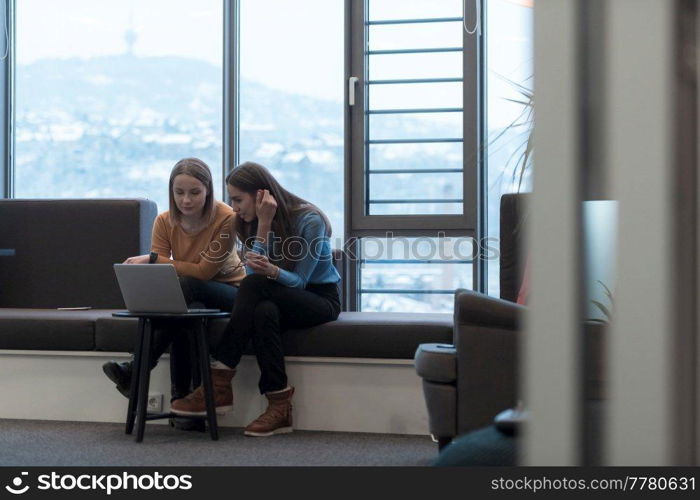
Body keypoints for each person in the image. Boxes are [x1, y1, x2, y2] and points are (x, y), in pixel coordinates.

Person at [171, 161, 341, 437]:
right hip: (266, 294)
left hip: (317, 299)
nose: (234, 207)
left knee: (258, 293)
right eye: (231, 200)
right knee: (258, 310)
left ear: (261, 195)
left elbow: (300, 282)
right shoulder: (248, 223)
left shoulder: (309, 220)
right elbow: (251, 276)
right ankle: (279, 406)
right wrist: (263, 226)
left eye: (238, 199)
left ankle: (220, 377)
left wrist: (273, 270)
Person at [102, 158, 246, 412]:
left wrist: (154, 258)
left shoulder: (227, 218)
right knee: (184, 315)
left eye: (194, 193)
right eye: (179, 193)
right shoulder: (164, 221)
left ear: (208, 190)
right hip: (192, 296)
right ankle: (183, 408)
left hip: (231, 292)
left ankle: (136, 369)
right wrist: (159, 263)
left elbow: (204, 272)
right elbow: (163, 274)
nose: (186, 200)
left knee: (188, 288)